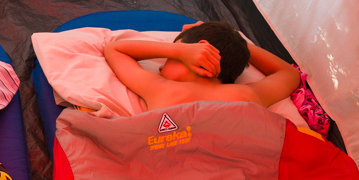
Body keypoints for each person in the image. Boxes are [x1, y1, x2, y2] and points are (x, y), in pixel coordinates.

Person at [103, 20, 300, 111]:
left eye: (170, 57)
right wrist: (238, 43)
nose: (161, 68)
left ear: (199, 56)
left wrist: (178, 50)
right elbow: (289, 73)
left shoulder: (162, 90)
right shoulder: (248, 95)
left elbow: (115, 50)